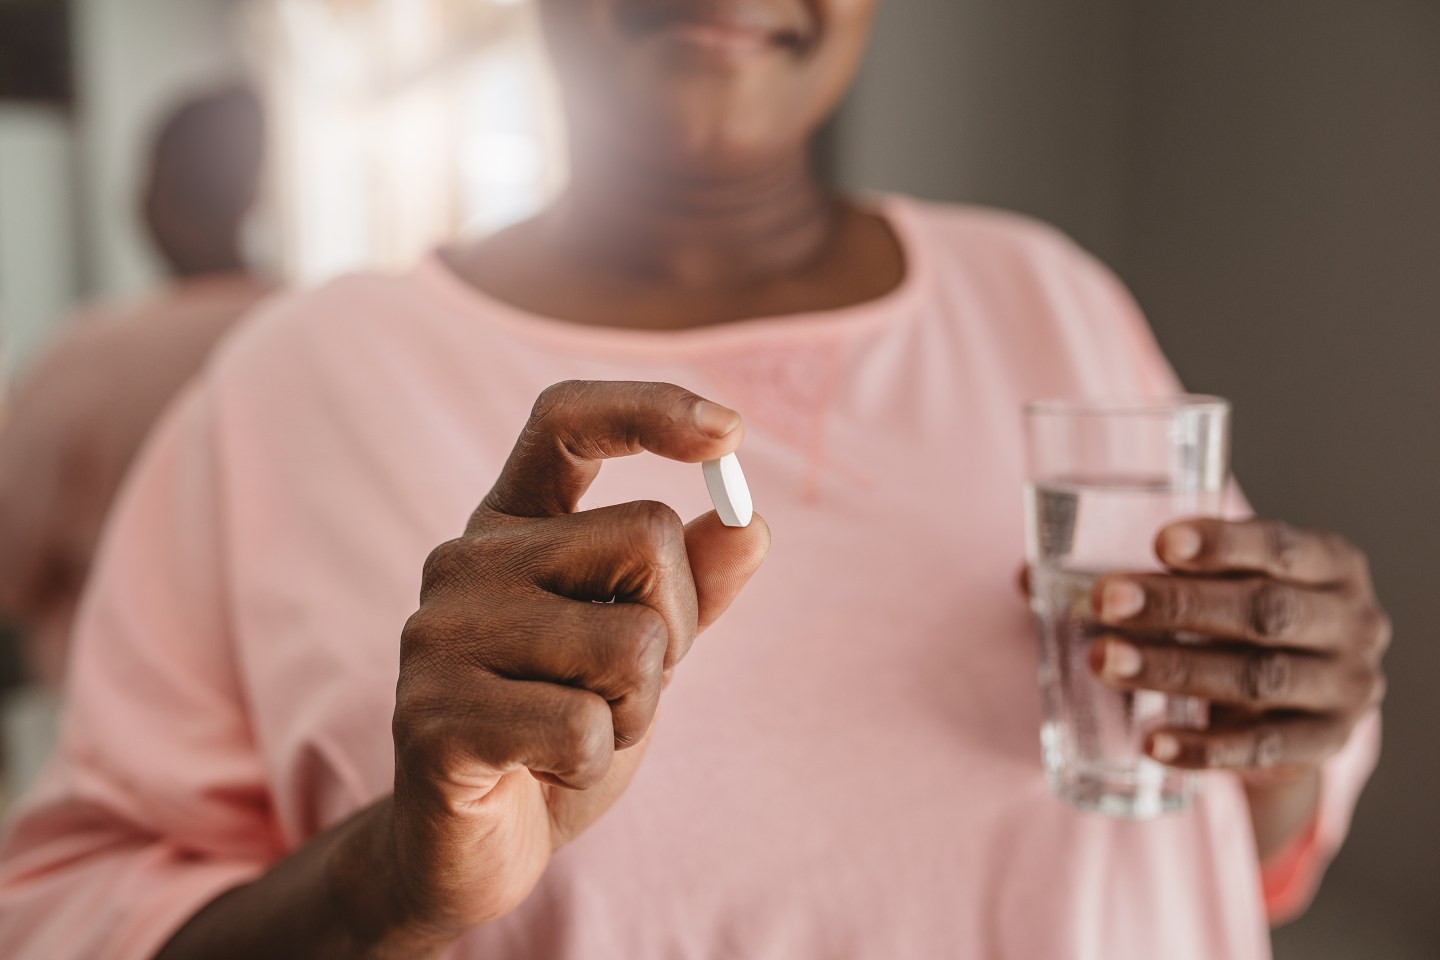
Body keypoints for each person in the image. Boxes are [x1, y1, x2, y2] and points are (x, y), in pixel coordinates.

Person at [0, 4, 1386, 958]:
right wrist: (396, 881)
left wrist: (1285, 712)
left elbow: (1226, 821)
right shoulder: (297, 380)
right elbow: (69, 912)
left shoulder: (1051, 293)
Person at [0, 83, 273, 687]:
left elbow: (8, 565)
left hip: (116, 716)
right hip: (295, 709)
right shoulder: (320, 329)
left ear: (155, 194)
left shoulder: (83, 356)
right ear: (255, 190)